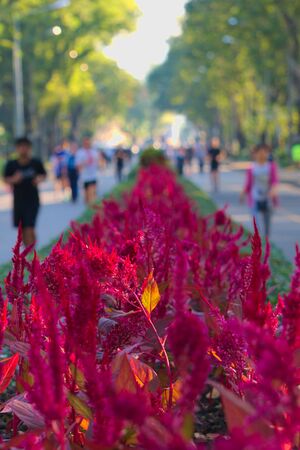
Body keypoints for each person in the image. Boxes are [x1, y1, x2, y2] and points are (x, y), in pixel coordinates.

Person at [3, 137, 46, 247]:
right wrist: (14, 179)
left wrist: (39, 179)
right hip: (18, 201)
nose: (23, 149)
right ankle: (29, 252)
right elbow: (5, 179)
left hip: (33, 200)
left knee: (29, 227)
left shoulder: (35, 163)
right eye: (21, 147)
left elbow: (43, 175)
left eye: (26, 147)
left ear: (29, 148)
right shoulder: (11, 164)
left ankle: (32, 253)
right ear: (17, 149)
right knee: (22, 229)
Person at [240, 144, 279, 238]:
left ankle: (266, 243)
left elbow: (275, 182)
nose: (262, 154)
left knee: (267, 226)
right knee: (256, 225)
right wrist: (242, 194)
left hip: (268, 199)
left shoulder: (271, 167)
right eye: (259, 152)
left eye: (265, 152)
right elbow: (248, 184)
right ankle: (259, 244)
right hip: (254, 199)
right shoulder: (251, 168)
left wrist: (273, 192)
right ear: (255, 154)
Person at [76, 137, 99, 206]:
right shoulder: (80, 153)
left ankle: (91, 207)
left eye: (88, 143)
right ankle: (88, 206)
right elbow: (78, 166)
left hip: (93, 175)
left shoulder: (94, 152)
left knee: (92, 192)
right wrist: (84, 163)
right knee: (87, 196)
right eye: (86, 143)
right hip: (85, 176)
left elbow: (98, 162)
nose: (87, 144)